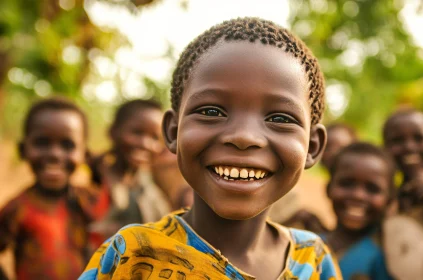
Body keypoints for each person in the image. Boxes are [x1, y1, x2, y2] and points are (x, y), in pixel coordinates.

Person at [79, 17, 341, 280]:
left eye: (280, 118)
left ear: (312, 146)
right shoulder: (131, 255)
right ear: (173, 131)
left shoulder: (314, 260)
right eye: (212, 111)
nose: (244, 137)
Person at [0, 98, 96, 279]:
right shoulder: (17, 208)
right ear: (22, 150)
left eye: (67, 145)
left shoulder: (91, 201)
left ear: (85, 154)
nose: (54, 154)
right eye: (42, 143)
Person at [88, 100, 170, 245]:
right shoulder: (92, 180)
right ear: (113, 132)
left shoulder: (151, 188)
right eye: (137, 132)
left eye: (155, 138)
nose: (145, 144)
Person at [322, 142, 395, 280]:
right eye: (346, 183)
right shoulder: (306, 244)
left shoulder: (389, 257)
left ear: (389, 199)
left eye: (372, 189)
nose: (358, 195)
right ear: (328, 188)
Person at [382, 108, 423, 210]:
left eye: (418, 138)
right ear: (384, 149)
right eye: (397, 140)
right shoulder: (382, 201)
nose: (409, 147)